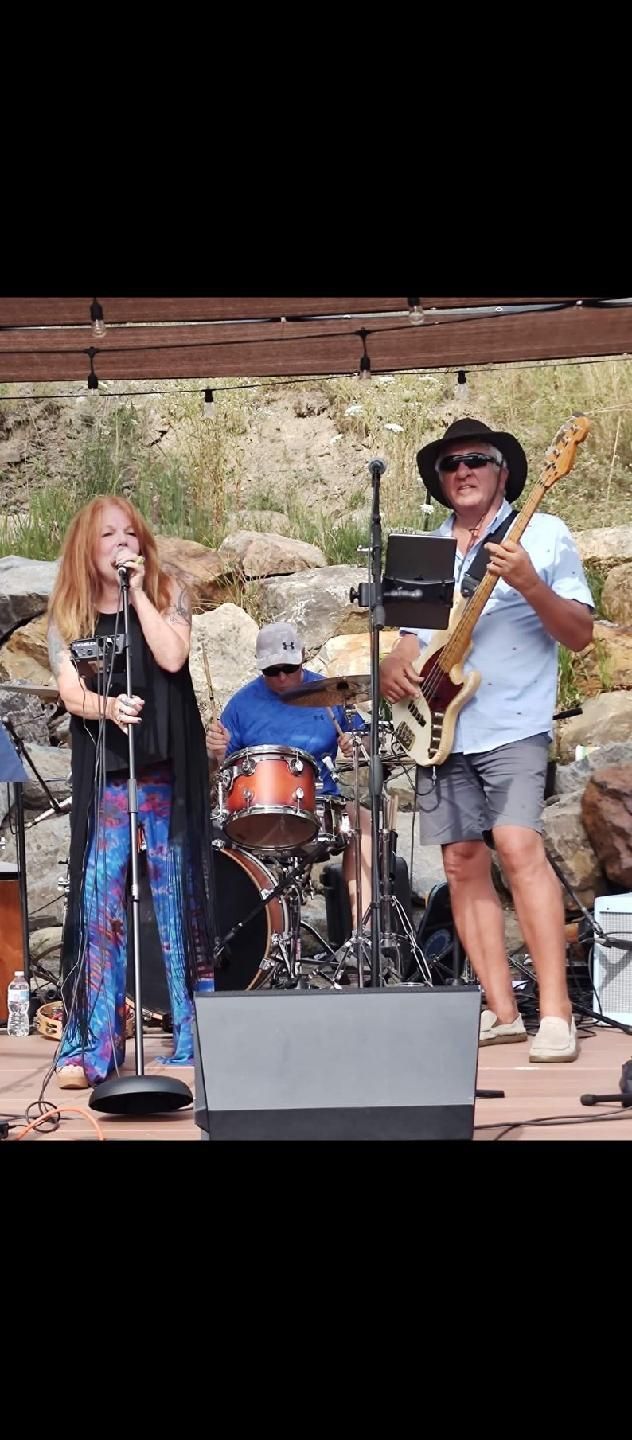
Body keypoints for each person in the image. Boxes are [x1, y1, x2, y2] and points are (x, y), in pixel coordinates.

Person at [380, 418, 594, 1062]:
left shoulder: (543, 533)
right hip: (439, 726)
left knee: (518, 845)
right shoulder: (422, 550)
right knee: (460, 862)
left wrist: (528, 582)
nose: (463, 470)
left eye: (476, 459)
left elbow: (580, 634)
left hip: (513, 722)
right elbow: (408, 643)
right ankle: (501, 1012)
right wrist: (395, 664)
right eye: (450, 464)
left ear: (504, 472)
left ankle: (555, 1013)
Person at [47, 496, 215, 1089]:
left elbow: (172, 655)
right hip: (107, 775)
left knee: (176, 903)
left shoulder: (168, 591)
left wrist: (138, 593)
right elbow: (70, 692)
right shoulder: (68, 612)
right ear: (85, 548)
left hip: (167, 769)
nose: (120, 542)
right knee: (99, 907)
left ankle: (195, 1039)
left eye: (129, 533)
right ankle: (95, 1047)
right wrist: (107, 707)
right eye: (106, 535)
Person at [206, 621, 372, 925]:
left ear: (303, 656)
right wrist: (214, 754)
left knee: (365, 823)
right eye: (272, 671)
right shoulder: (241, 705)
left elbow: (368, 743)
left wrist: (356, 744)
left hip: (320, 803)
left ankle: (363, 933)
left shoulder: (330, 693)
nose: (282, 677)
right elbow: (219, 769)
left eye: (289, 668)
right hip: (261, 807)